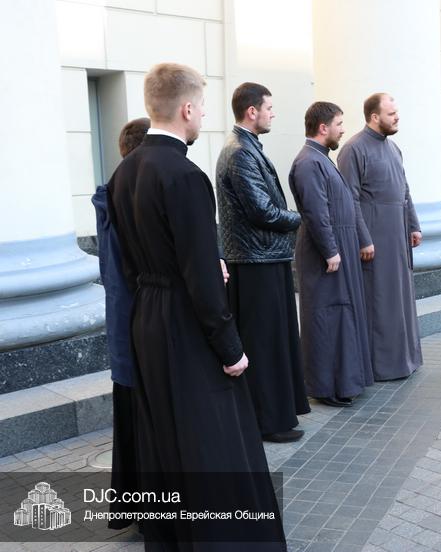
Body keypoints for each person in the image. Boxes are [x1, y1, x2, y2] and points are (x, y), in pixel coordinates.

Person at [106, 63, 285, 548]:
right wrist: (231, 348)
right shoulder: (184, 175)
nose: (204, 114)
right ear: (186, 108)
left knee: (165, 436)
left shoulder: (125, 172)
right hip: (183, 321)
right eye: (202, 106)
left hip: (146, 317)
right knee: (211, 439)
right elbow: (201, 279)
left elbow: (132, 262)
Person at [216, 82, 309, 443]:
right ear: (251, 111)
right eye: (269, 108)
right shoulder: (240, 152)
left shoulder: (247, 146)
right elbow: (262, 211)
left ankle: (275, 416)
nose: (273, 114)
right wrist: (299, 218)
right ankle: (267, 421)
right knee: (264, 345)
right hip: (255, 262)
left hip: (263, 257)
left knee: (274, 342)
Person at [289, 102, 373, 407]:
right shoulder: (309, 162)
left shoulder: (320, 158)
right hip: (325, 254)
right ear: (323, 128)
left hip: (337, 248)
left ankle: (343, 382)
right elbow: (316, 212)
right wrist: (330, 250)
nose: (342, 129)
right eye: (339, 124)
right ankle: (326, 387)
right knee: (325, 317)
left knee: (340, 315)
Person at [337, 93, 423, 381]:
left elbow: (404, 190)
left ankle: (405, 359)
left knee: (400, 299)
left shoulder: (394, 148)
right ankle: (381, 366)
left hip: (397, 235)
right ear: (374, 117)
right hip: (375, 238)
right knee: (380, 300)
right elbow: (349, 199)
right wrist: (363, 239)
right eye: (391, 113)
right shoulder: (353, 149)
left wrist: (413, 225)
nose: (397, 117)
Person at [91, 116, 149, 531]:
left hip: (125, 330)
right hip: (137, 328)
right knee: (141, 426)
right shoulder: (126, 200)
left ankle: (135, 511)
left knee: (131, 425)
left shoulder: (112, 196)